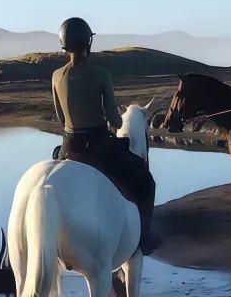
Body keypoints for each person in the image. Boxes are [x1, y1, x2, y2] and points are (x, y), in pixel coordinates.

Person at [52, 16, 158, 254]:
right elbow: (116, 119)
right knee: (146, 182)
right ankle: (144, 236)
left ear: (65, 45)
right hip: (99, 148)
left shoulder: (56, 76)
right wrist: (113, 123)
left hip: (69, 148)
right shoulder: (101, 74)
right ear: (88, 43)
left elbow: (60, 118)